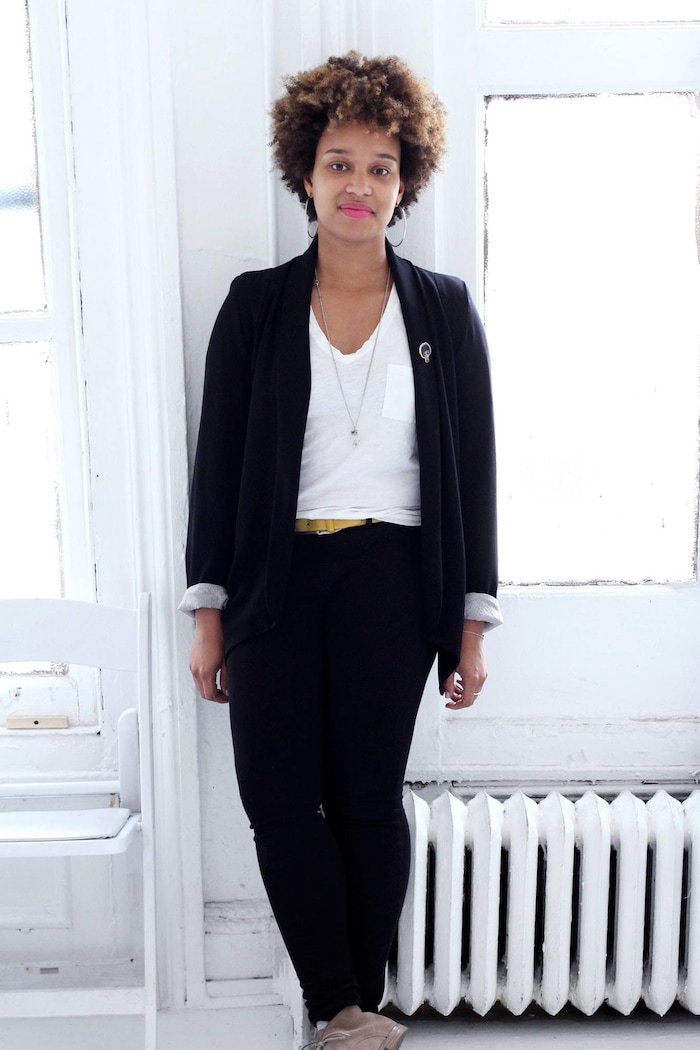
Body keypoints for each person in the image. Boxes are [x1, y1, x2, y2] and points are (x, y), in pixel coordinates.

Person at [180, 51, 501, 1050]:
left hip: (392, 582)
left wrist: (470, 625)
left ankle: (351, 1009)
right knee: (279, 801)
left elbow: (474, 473)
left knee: (365, 798)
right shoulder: (255, 306)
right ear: (305, 175)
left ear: (405, 183)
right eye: (339, 164)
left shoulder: (442, 308)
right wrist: (208, 614)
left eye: (379, 167)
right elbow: (217, 466)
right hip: (274, 580)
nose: (358, 185)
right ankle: (345, 1010)